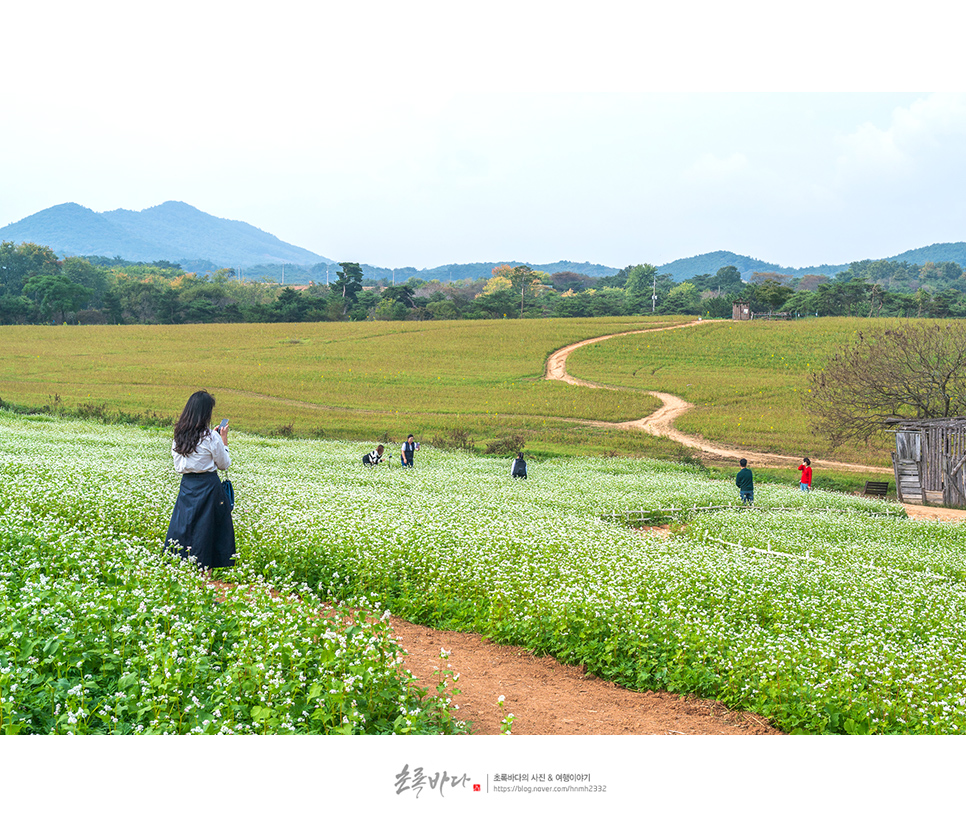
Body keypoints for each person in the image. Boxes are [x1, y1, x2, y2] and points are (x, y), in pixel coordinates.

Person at [164, 390, 236, 570]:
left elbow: (179, 467)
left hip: (187, 487)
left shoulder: (179, 435)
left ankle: (183, 585)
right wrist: (223, 441)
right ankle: (204, 587)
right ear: (205, 413)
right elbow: (224, 464)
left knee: (184, 532)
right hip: (209, 489)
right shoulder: (211, 437)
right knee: (207, 536)